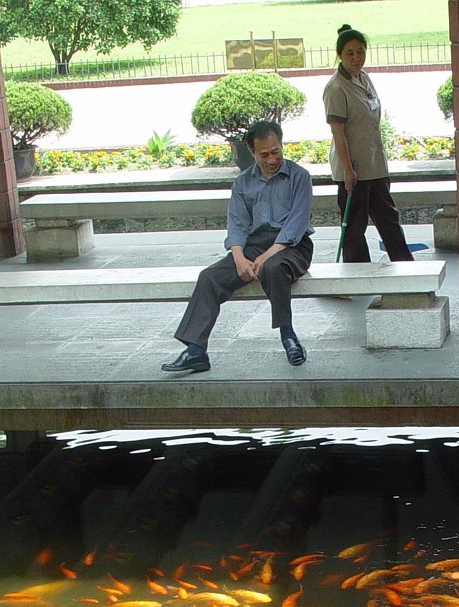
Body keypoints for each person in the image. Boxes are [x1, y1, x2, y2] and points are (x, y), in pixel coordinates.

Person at [162, 121, 314, 375]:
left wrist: (266, 256)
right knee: (210, 277)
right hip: (254, 245)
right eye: (264, 154)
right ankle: (196, 350)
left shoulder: (299, 177)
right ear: (252, 153)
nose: (271, 159)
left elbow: (296, 225)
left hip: (292, 246)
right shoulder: (243, 182)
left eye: (276, 151)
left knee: (273, 268)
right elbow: (237, 224)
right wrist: (239, 256)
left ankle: (288, 336)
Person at [323, 24, 413, 263]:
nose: (356, 57)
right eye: (350, 53)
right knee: (354, 227)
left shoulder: (364, 78)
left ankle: (406, 268)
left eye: (360, 51)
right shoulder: (335, 88)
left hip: (374, 166)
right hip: (353, 169)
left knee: (388, 219)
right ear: (340, 55)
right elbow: (338, 132)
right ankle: (356, 274)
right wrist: (348, 170)